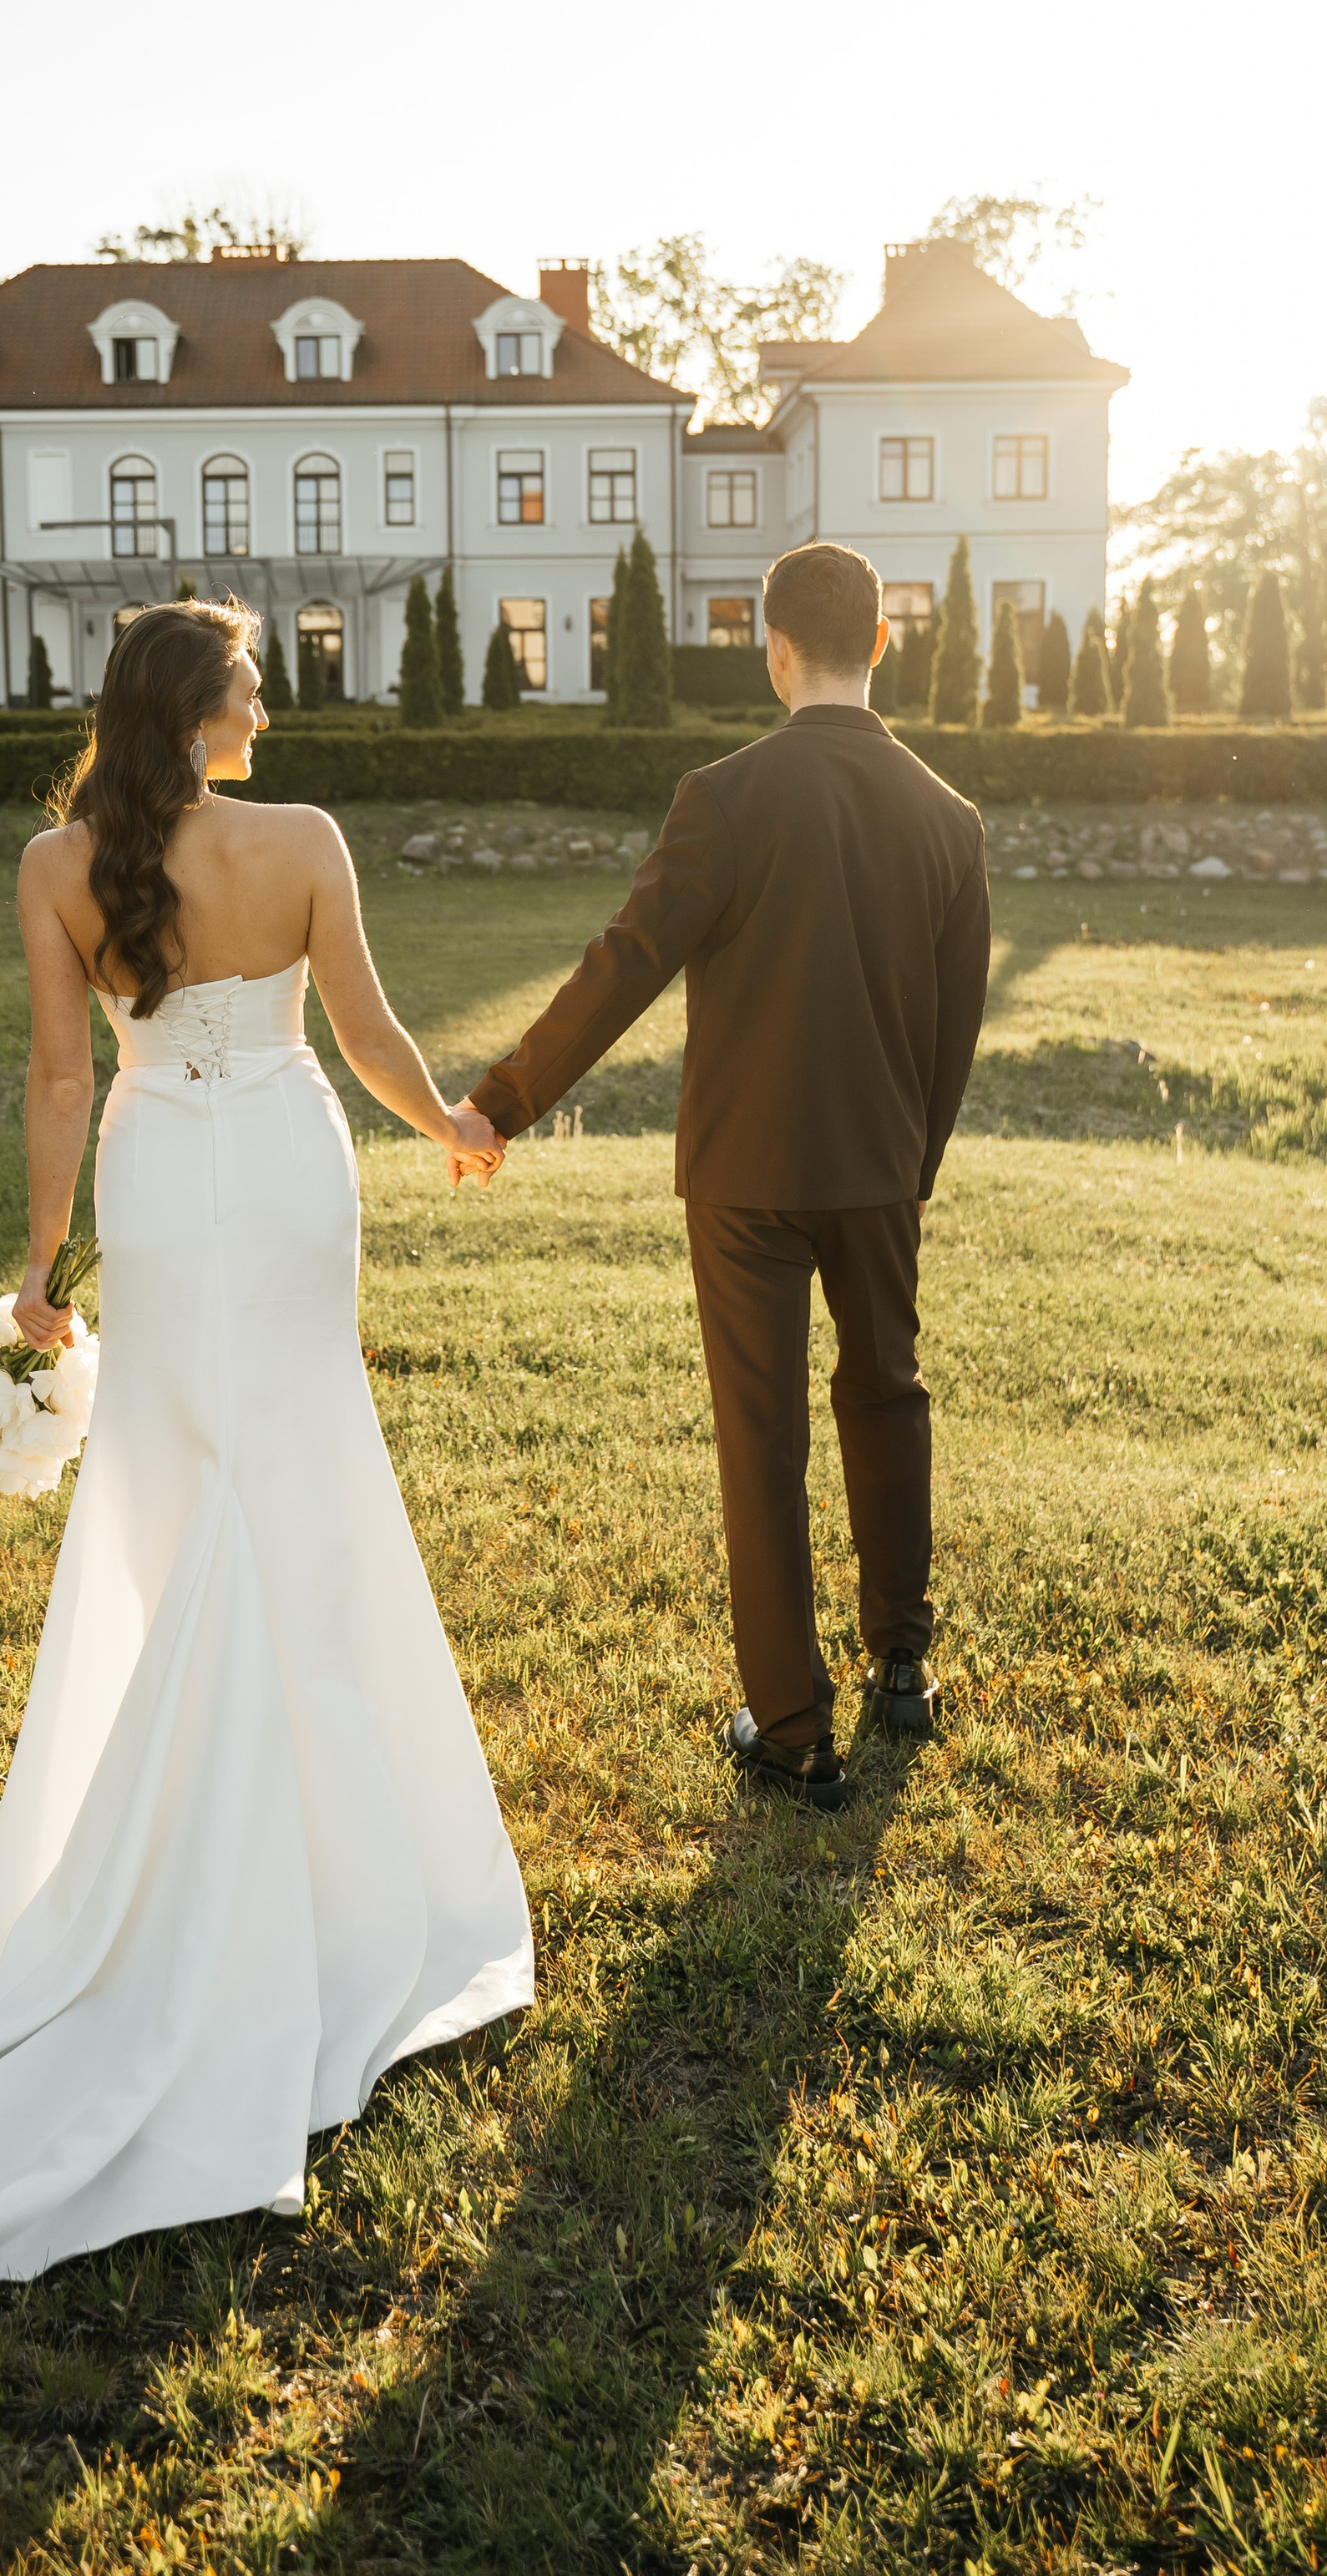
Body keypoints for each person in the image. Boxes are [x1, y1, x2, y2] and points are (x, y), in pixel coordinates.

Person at [0, 597, 528, 2278]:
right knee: (296, 1460)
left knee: (180, 1472)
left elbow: (61, 1079)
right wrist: (443, 1118)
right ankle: (305, 1810)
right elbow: (360, 1035)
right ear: (200, 706)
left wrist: (40, 1263)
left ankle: (170, 1812)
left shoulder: (54, 865)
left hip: (156, 1181)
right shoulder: (301, 842)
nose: (268, 708)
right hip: (289, 1177)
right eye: (249, 683)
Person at [465, 540, 989, 1812]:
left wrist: (501, 1101)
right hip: (877, 1166)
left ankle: (797, 1730)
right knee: (888, 1396)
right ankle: (904, 1666)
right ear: (880, 644)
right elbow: (956, 1026)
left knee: (760, 1441)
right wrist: (906, 1161)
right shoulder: (948, 816)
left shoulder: (724, 797)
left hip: (745, 1175)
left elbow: (626, 962)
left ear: (772, 653)